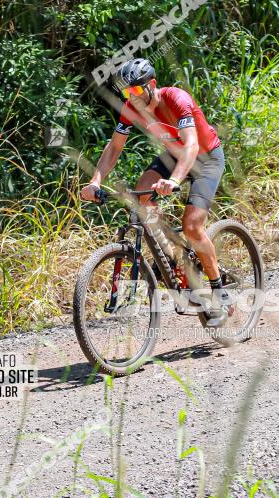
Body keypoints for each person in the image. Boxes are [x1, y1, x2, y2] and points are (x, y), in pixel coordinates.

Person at [80, 58, 232, 322]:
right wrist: (95, 181)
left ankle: (220, 292)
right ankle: (174, 261)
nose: (132, 98)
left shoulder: (176, 99)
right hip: (174, 154)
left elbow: (192, 146)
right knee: (141, 195)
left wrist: (173, 180)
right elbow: (114, 147)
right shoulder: (131, 107)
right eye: (127, 93)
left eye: (136, 91)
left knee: (193, 227)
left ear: (151, 85)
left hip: (206, 157)